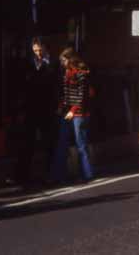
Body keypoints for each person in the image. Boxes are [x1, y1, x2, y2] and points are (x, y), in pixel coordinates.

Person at [15, 38, 59, 185]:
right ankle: (22, 177)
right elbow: (22, 87)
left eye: (40, 50)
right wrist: (21, 108)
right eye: (35, 51)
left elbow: (56, 86)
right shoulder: (28, 64)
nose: (38, 53)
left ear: (45, 48)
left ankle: (51, 175)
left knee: (49, 143)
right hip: (31, 108)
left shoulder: (53, 64)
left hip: (47, 108)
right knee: (27, 143)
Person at [50, 47, 94, 183]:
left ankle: (87, 174)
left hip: (79, 113)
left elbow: (81, 96)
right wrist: (61, 107)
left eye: (63, 60)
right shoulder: (66, 74)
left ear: (70, 60)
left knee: (80, 144)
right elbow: (66, 95)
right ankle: (58, 176)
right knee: (62, 143)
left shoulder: (81, 73)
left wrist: (72, 111)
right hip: (67, 112)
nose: (62, 63)